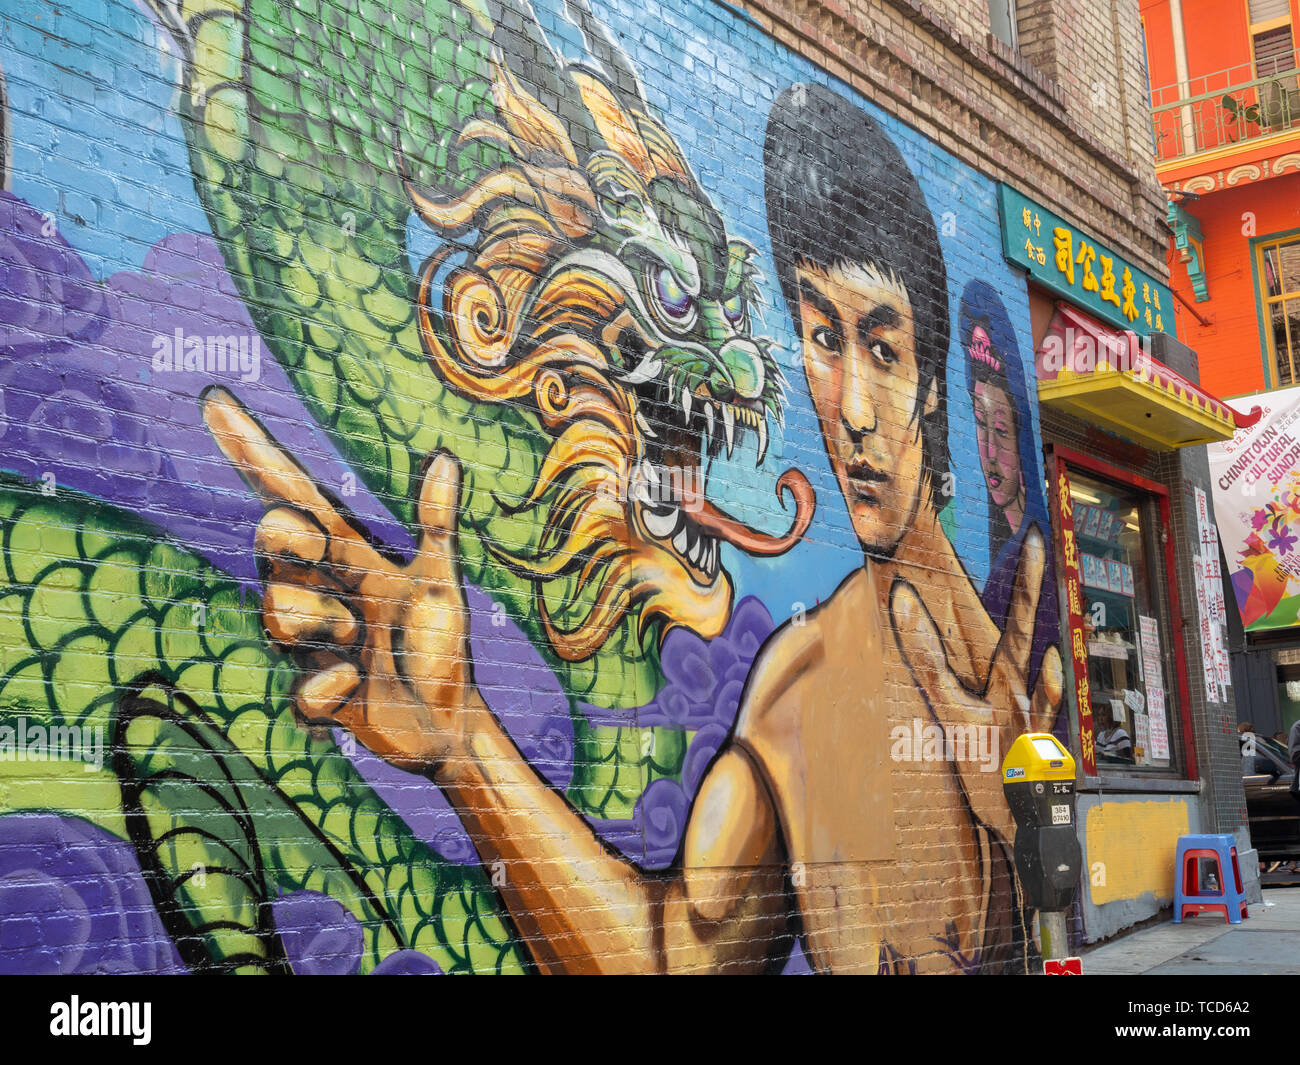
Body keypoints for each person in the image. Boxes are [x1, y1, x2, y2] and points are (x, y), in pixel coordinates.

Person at [205, 83, 1062, 974]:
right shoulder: (801, 688)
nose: (849, 408)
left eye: (883, 350)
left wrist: (1026, 834)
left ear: (932, 386)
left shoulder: (1018, 657)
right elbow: (669, 955)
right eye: (820, 336)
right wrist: (464, 745)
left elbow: (1056, 899)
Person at [961, 281, 1059, 699]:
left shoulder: (1030, 559)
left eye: (1000, 429)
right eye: (980, 424)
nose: (988, 451)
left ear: (1022, 435)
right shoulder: (1001, 565)